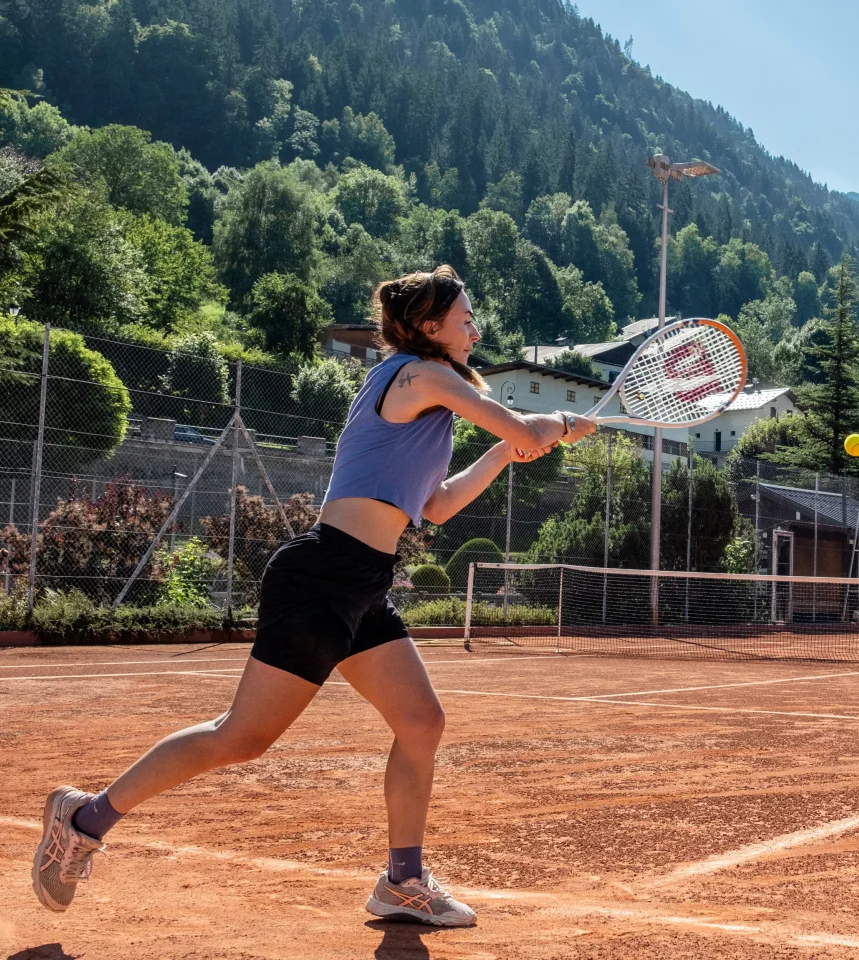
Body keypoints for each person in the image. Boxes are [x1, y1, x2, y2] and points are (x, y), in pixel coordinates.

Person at [30, 266, 595, 925]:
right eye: (465, 319)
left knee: (421, 722)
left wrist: (504, 453)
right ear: (427, 328)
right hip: (322, 576)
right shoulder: (419, 375)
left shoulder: (429, 399)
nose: (476, 330)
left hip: (363, 586)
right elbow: (529, 431)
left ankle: (402, 881)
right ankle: (83, 819)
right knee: (240, 737)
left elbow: (435, 507)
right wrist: (549, 426)